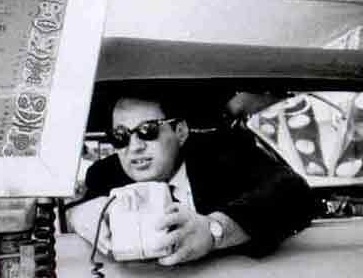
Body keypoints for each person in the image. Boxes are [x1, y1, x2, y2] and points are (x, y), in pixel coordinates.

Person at [68, 95, 314, 265]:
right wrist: (78, 214)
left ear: (180, 131)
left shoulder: (225, 152)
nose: (134, 147)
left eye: (148, 130)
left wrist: (214, 230)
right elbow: (75, 209)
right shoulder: (104, 174)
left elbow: (295, 192)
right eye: (120, 136)